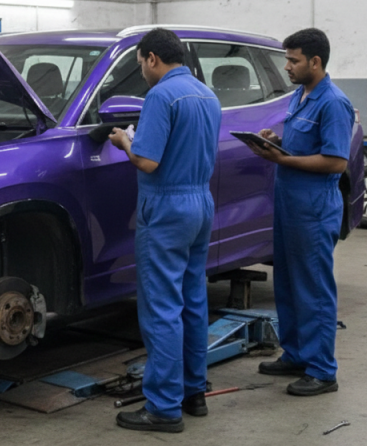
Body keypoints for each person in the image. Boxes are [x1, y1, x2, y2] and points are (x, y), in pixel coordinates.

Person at [107, 28, 221, 433]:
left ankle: (163, 407)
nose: (143, 73)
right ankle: (193, 392)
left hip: (167, 206)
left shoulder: (160, 96)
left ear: (152, 58)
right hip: (200, 204)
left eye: (140, 64)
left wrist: (124, 140)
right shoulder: (207, 94)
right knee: (192, 300)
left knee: (161, 308)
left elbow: (148, 161)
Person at [248, 28, 354, 397]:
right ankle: (295, 354)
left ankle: (323, 370)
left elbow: (337, 162)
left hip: (314, 209)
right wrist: (276, 142)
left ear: (316, 61)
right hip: (290, 205)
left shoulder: (333, 103)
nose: (287, 66)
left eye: (293, 60)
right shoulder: (300, 96)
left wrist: (286, 158)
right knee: (289, 285)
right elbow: (303, 142)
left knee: (314, 290)